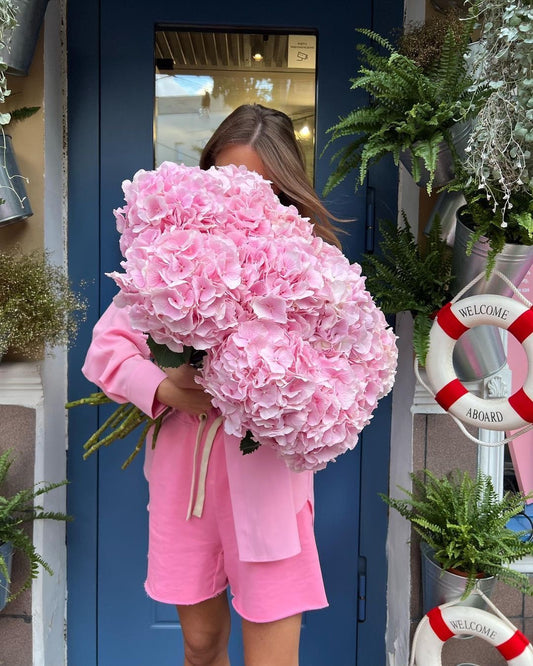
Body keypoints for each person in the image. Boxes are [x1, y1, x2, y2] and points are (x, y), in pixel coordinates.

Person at [82, 104, 341, 666]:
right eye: (229, 181)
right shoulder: (168, 262)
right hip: (185, 485)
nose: (246, 201)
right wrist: (165, 389)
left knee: (272, 658)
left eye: (265, 188)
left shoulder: (318, 270)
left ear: (287, 190)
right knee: (200, 647)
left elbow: (345, 377)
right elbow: (106, 350)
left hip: (268, 485)